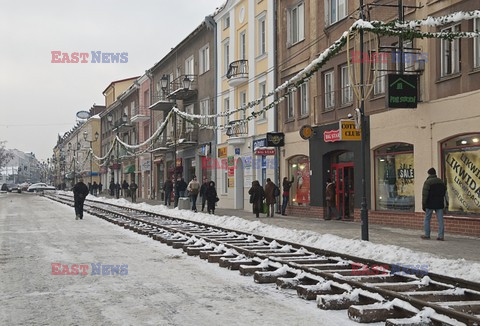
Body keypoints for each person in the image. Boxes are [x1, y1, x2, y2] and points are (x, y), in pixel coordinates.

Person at [421, 168, 447, 241]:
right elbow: (444, 193)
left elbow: (425, 195)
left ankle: (427, 235)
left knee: (427, 219)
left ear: (429, 174)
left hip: (430, 204)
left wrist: (424, 205)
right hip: (439, 203)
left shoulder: (427, 182)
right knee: (440, 220)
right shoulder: (441, 182)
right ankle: (441, 236)